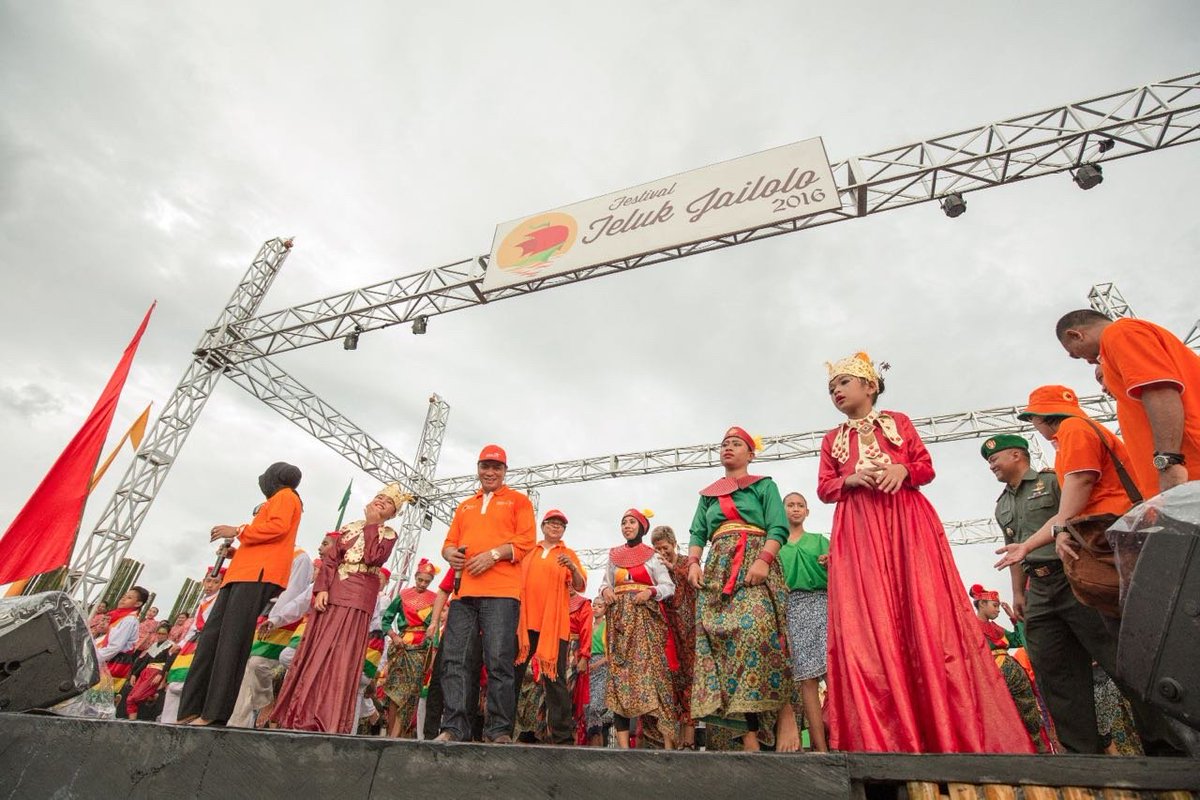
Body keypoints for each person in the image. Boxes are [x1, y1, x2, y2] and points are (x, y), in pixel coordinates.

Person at [818, 352, 1033, 753]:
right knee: (870, 618)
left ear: (870, 386)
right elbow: (824, 488)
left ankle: (945, 728)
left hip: (906, 521)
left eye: (843, 383)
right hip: (859, 527)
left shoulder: (898, 422)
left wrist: (903, 470)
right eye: (831, 388)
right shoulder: (832, 439)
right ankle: (885, 738)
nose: (836, 392)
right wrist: (849, 480)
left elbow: (925, 467)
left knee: (922, 607)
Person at [986, 433, 1130, 754]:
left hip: (1072, 576)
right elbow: (1013, 551)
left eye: (995, 458)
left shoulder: (1052, 482)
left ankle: (1165, 747)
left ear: (1017, 455)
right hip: (1037, 588)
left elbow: (1078, 515)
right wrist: (1018, 593)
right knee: (1056, 673)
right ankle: (1083, 757)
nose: (991, 465)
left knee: (1116, 658)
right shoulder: (1002, 505)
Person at [687, 427, 798, 753]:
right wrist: (693, 563)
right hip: (718, 567)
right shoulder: (708, 495)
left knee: (760, 632)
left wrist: (764, 560)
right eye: (724, 444)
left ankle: (784, 710)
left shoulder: (764, 485)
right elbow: (697, 532)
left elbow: (777, 526)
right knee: (721, 648)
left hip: (755, 560)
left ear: (750, 454)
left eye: (736, 444)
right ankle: (747, 736)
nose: (728, 448)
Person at [272, 483, 410, 734]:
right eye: (379, 496)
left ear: (393, 513)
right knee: (316, 652)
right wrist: (322, 589)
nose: (382, 501)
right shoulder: (349, 528)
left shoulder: (388, 535)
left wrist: (372, 524)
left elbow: (373, 557)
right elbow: (331, 560)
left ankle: (329, 720)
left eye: (389, 502)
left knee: (341, 658)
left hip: (357, 600)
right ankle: (300, 713)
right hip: (332, 594)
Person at [180, 462, 303, 726]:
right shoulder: (276, 500)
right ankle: (192, 708)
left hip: (257, 575)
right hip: (241, 573)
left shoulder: (286, 496)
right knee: (212, 638)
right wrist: (236, 552)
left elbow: (277, 528)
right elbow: (265, 539)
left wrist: (238, 530)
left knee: (231, 642)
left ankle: (214, 712)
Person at [435, 444, 536, 744]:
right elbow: (448, 543)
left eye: (496, 467)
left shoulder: (519, 501)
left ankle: (498, 730)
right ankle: (454, 728)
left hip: (502, 593)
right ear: (478, 469)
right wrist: (451, 555)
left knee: (498, 660)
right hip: (463, 593)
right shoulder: (465, 505)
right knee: (455, 660)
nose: (490, 472)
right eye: (485, 466)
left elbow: (526, 542)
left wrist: (493, 555)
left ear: (505, 471)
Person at [1056, 309, 1200, 496]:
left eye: (1075, 354)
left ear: (1076, 335)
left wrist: (1169, 461)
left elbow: (1159, 391)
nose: (1088, 361)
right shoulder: (1120, 339)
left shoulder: (1120, 333)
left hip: (1190, 473)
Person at [600, 507, 678, 749]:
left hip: (645, 623)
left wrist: (650, 592)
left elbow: (668, 586)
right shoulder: (614, 556)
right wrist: (606, 590)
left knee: (653, 676)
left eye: (632, 522)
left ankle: (666, 744)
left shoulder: (652, 556)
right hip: (620, 625)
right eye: (624, 522)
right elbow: (604, 583)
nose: (627, 526)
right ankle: (623, 748)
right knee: (620, 677)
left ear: (642, 527)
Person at [514, 508, 587, 745]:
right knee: (512, 675)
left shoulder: (568, 554)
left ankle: (562, 738)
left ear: (564, 530)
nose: (556, 526)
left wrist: (572, 568)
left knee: (555, 681)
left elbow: (580, 584)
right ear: (543, 526)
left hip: (553, 625)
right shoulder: (529, 551)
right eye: (552, 522)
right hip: (524, 623)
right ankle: (501, 729)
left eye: (561, 524)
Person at [227, 544, 314, 728]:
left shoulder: (300, 557)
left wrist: (275, 619)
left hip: (282, 621)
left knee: (257, 663)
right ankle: (239, 723)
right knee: (248, 670)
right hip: (262, 615)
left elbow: (294, 592)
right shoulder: (272, 553)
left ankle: (266, 701)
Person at [778, 491, 831, 752]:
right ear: (782, 511)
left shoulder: (820, 541)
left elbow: (841, 569)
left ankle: (846, 739)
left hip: (823, 605)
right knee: (807, 681)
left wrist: (831, 562)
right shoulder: (775, 547)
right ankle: (820, 748)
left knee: (834, 674)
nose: (796, 509)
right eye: (790, 505)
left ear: (807, 512)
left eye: (800, 505)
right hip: (793, 610)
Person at [969, 584, 1050, 752]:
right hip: (992, 678)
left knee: (1029, 714)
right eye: (995, 605)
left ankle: (1037, 747)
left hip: (1016, 677)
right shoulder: (970, 627)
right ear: (982, 604)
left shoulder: (997, 629)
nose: (998, 610)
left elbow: (1019, 640)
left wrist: (1013, 618)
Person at [650, 524, 697, 749]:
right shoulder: (655, 569)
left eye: (665, 548)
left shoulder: (687, 562)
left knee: (691, 683)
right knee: (670, 686)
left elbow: (698, 583)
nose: (662, 552)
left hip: (690, 633)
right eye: (657, 549)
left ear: (674, 544)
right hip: (667, 634)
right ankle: (671, 741)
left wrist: (673, 568)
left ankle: (689, 741)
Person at [381, 558, 440, 738]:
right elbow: (386, 621)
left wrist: (433, 655)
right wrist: (394, 636)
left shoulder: (434, 599)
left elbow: (435, 631)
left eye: (427, 581)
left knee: (410, 692)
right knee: (394, 690)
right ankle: (391, 734)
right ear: (415, 576)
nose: (422, 584)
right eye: (420, 580)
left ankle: (397, 734)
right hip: (401, 646)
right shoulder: (403, 595)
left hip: (421, 649)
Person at [161, 570, 222, 724]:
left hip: (206, 641)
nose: (210, 585)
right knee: (175, 681)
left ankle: (186, 715)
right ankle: (167, 721)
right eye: (208, 581)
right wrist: (181, 644)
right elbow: (194, 626)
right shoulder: (203, 601)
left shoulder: (220, 599)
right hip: (192, 642)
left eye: (215, 582)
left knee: (189, 680)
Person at [93, 586, 149, 693]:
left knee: (96, 694)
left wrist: (93, 658)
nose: (123, 599)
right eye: (124, 596)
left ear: (138, 604)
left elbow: (115, 646)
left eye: (129, 598)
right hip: (109, 657)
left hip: (114, 661)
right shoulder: (121, 617)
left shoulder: (129, 620)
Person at [124, 623, 173, 720]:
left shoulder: (170, 646)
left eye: (163, 634)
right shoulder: (154, 645)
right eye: (159, 633)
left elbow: (169, 662)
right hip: (146, 671)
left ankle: (151, 696)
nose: (160, 635)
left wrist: (161, 675)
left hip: (156, 672)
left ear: (168, 634)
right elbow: (145, 661)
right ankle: (131, 723)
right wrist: (135, 674)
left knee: (135, 697)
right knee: (130, 698)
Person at [585, 596, 611, 747]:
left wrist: (596, 664)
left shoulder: (607, 626)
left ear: (605, 609)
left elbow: (610, 654)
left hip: (602, 667)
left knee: (596, 706)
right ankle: (594, 742)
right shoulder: (589, 626)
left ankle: (599, 741)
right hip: (588, 667)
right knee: (587, 706)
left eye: (600, 606)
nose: (595, 608)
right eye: (594, 605)